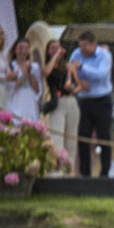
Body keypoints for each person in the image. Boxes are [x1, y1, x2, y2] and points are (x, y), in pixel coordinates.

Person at [69, 30, 113, 177]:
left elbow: (101, 74)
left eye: (86, 46)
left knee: (104, 137)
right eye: (81, 46)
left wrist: (82, 67)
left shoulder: (104, 55)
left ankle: (105, 172)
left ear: (94, 44)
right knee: (83, 137)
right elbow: (70, 72)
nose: (82, 50)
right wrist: (80, 82)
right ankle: (85, 173)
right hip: (84, 101)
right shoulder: (76, 54)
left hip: (102, 101)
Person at [42, 39, 80, 168]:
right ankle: (56, 170)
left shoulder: (68, 67)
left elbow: (79, 85)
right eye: (52, 47)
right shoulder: (48, 65)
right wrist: (55, 56)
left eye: (57, 47)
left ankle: (69, 170)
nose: (55, 50)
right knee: (56, 138)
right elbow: (46, 72)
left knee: (71, 140)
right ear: (48, 51)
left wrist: (74, 88)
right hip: (58, 102)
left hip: (71, 101)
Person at [6, 38, 41, 121]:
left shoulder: (34, 66)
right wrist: (24, 74)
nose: (23, 51)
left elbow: (37, 89)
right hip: (15, 100)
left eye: (26, 48)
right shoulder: (11, 66)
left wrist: (30, 74)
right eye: (21, 48)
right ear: (15, 50)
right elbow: (10, 87)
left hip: (29, 100)